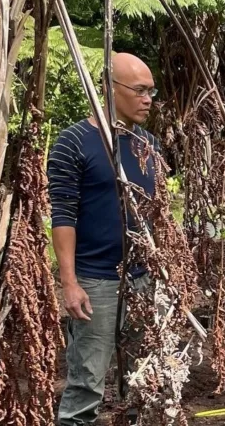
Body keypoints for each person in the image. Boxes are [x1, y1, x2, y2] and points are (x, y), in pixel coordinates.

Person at [48, 52, 161, 425]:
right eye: (140, 91)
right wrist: (70, 283)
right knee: (87, 384)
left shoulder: (148, 145)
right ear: (110, 89)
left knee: (147, 379)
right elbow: (62, 214)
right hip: (95, 280)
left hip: (142, 278)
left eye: (152, 92)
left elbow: (153, 212)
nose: (148, 100)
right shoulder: (74, 142)